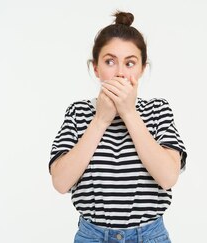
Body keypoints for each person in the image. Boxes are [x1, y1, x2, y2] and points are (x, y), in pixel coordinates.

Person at [48, 10, 187, 243]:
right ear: (96, 68)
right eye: (110, 61)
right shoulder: (78, 112)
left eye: (130, 63)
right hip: (92, 236)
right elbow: (61, 183)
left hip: (149, 236)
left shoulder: (158, 110)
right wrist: (101, 120)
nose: (120, 73)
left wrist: (129, 113)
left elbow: (168, 177)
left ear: (142, 68)